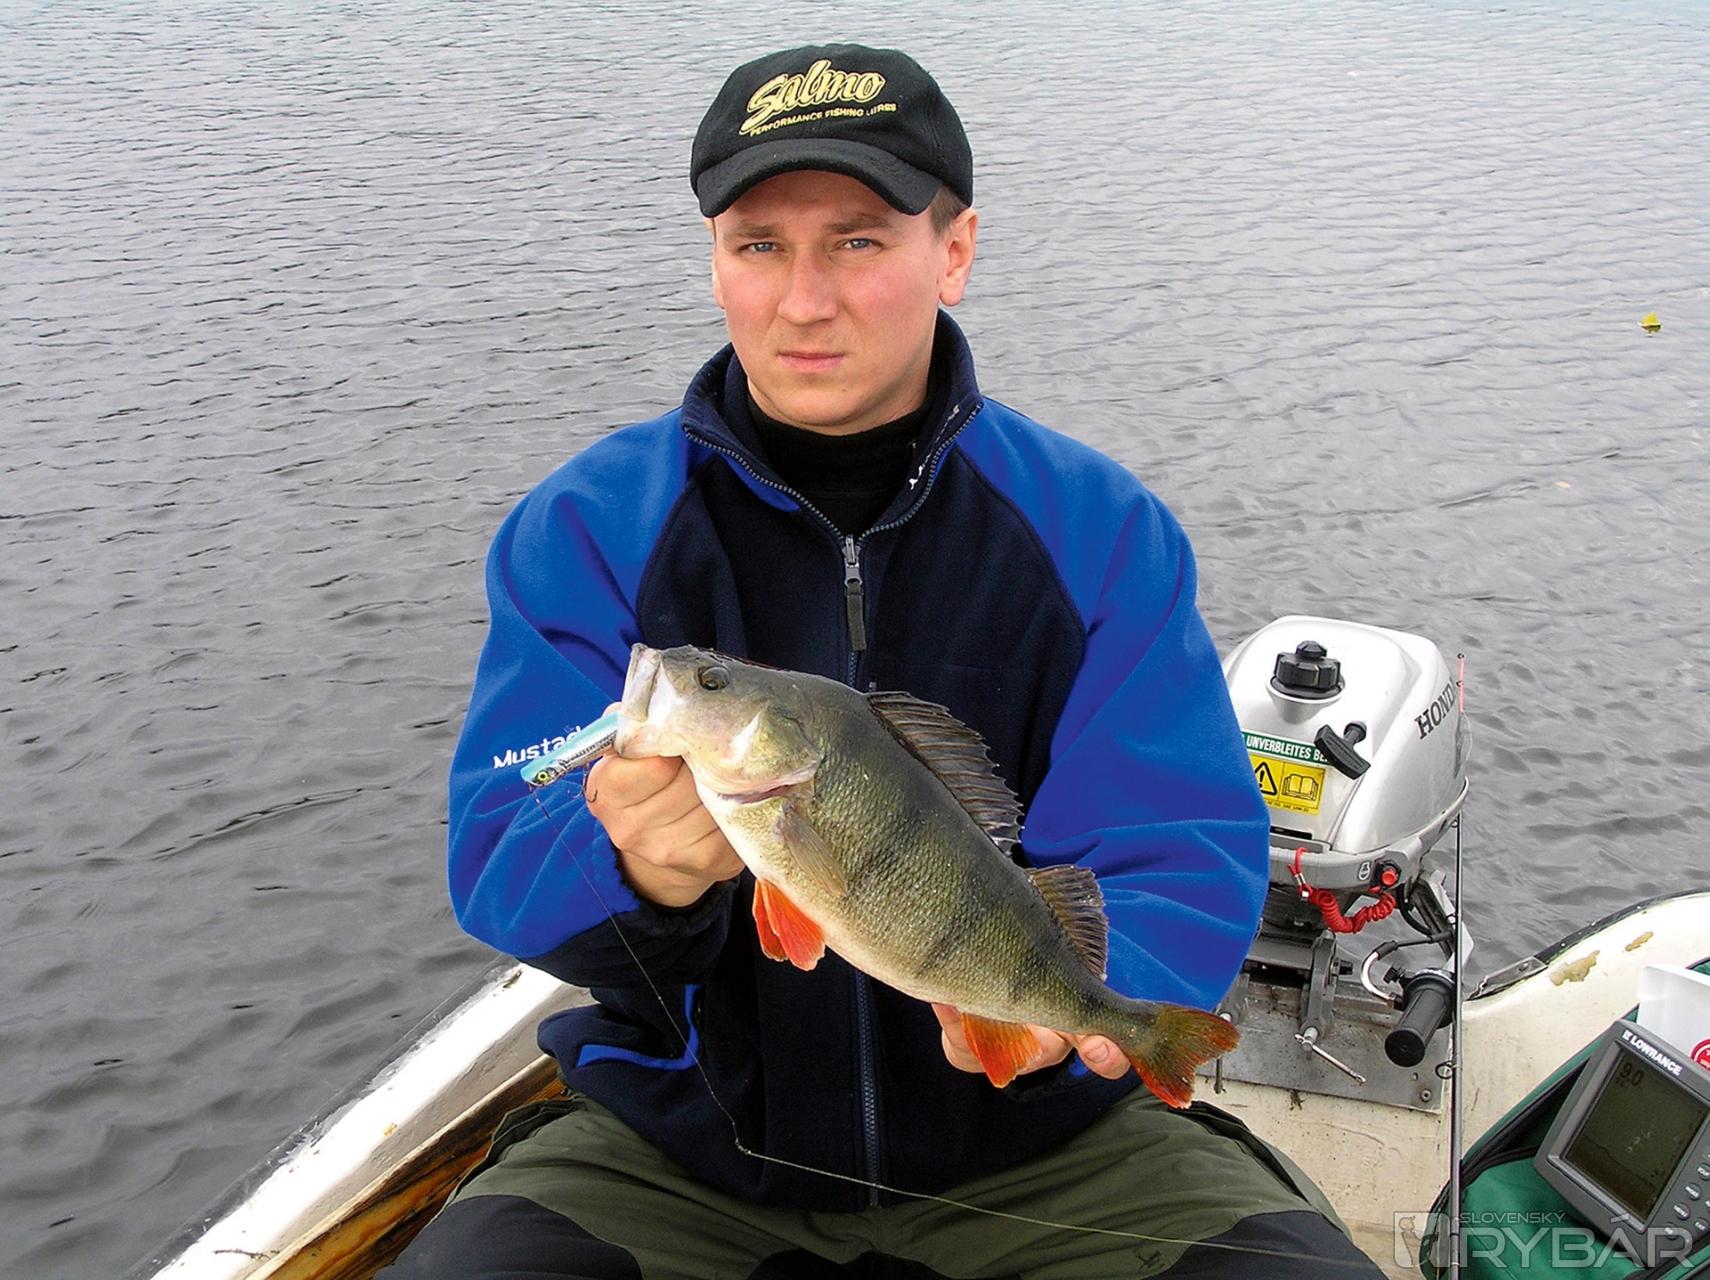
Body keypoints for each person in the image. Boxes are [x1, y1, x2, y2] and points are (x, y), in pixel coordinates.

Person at [389, 43, 1383, 1280]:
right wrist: (635, 866)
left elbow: (1174, 836)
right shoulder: (589, 528)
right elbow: (504, 837)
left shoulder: (1097, 530)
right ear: (714, 261)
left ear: (953, 251)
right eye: (760, 245)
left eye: (857, 241)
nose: (804, 300)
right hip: (683, 1148)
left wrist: (1083, 1006)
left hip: (1045, 1149)